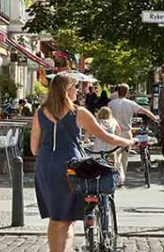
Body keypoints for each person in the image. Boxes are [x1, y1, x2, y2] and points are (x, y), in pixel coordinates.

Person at [32, 74, 135, 252]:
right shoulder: (78, 112)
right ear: (67, 90)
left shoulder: (40, 112)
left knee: (54, 218)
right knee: (67, 220)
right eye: (75, 87)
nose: (77, 91)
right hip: (69, 167)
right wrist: (128, 142)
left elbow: (34, 148)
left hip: (45, 167)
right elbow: (106, 136)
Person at [108, 83, 159, 186]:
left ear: (118, 92)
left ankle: (117, 176)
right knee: (125, 158)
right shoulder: (130, 103)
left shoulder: (111, 104)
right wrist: (155, 118)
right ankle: (122, 179)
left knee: (115, 155)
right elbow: (144, 111)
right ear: (127, 93)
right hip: (127, 133)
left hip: (114, 133)